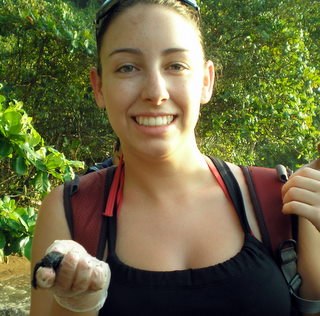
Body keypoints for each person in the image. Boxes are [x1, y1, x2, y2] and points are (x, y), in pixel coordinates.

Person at [30, 0, 320, 315]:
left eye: (176, 65)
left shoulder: (280, 200)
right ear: (98, 87)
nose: (155, 92)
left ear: (206, 81)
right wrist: (77, 301)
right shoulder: (69, 212)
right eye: (127, 67)